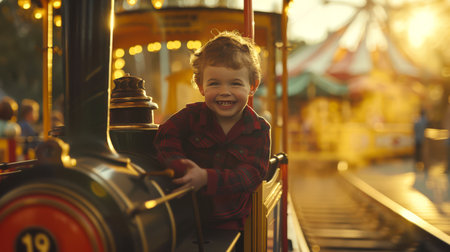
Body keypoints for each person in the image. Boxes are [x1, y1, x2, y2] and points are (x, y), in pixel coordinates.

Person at [154, 30, 271, 248]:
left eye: (235, 84)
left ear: (252, 86)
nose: (224, 92)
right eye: (215, 83)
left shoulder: (258, 129)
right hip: (185, 215)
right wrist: (179, 165)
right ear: (201, 86)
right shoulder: (190, 117)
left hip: (230, 222)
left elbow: (251, 175)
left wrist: (206, 178)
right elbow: (165, 136)